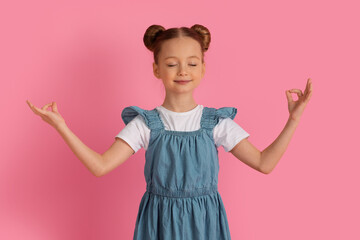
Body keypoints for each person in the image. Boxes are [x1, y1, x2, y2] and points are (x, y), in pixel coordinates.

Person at [26, 24, 313, 239]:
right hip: (158, 224)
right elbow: (100, 166)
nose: (182, 71)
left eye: (192, 63)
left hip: (205, 225)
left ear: (202, 69)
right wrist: (61, 126)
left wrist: (293, 119)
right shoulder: (145, 123)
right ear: (156, 69)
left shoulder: (217, 122)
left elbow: (265, 163)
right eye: (172, 64)